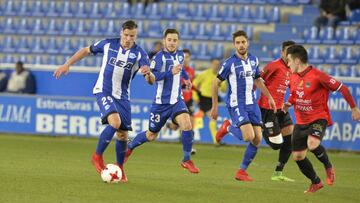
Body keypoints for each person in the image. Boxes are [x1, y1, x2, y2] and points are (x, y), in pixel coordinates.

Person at [53, 20, 154, 183]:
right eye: (126, 35)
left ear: (136, 36)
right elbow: (86, 50)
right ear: (121, 32)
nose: (128, 39)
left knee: (122, 135)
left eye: (132, 36)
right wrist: (67, 64)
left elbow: (149, 78)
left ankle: (119, 167)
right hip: (103, 90)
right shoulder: (108, 44)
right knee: (114, 122)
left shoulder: (140, 53)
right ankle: (97, 156)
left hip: (123, 96)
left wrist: (148, 74)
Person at [283, 45, 360, 193]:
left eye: (289, 61)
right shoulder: (292, 76)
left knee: (312, 144)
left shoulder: (318, 76)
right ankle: (316, 182)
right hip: (301, 121)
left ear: (297, 60)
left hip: (318, 118)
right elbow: (295, 94)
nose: (288, 64)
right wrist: (289, 103)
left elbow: (343, 88)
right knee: (298, 157)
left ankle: (328, 167)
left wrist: (354, 108)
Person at [125, 28, 200, 174]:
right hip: (161, 104)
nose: (172, 43)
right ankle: (130, 146)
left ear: (178, 42)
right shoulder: (159, 58)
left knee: (187, 124)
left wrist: (186, 78)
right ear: (165, 40)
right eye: (169, 40)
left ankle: (186, 160)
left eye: (175, 40)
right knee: (151, 135)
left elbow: (181, 69)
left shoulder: (180, 55)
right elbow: (154, 77)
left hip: (177, 100)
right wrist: (170, 73)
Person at [211, 30, 276, 181]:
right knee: (248, 136)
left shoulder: (254, 60)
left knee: (257, 139)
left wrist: (269, 97)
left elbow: (258, 80)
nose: (241, 45)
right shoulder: (229, 63)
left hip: (251, 103)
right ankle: (227, 126)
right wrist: (215, 106)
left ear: (248, 43)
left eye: (243, 42)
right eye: (238, 43)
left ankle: (241, 171)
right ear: (234, 45)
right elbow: (216, 83)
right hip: (237, 104)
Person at [258, 41, 296, 182]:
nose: (289, 54)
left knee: (290, 138)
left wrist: (289, 102)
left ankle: (278, 172)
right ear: (282, 52)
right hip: (267, 109)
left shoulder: (292, 69)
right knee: (276, 145)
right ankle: (263, 128)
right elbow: (258, 80)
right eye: (287, 51)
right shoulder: (273, 66)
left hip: (281, 109)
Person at [192, 58, 226, 144]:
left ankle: (185, 134)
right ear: (211, 64)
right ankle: (216, 140)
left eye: (218, 64)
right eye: (214, 64)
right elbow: (194, 84)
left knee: (199, 118)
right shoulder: (205, 74)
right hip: (204, 98)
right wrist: (195, 95)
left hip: (213, 99)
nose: (216, 66)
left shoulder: (220, 76)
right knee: (212, 118)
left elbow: (224, 89)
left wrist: (224, 82)